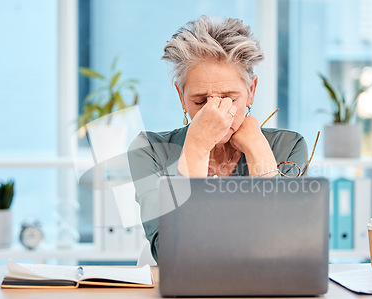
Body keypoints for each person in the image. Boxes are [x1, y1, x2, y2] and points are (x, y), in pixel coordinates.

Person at [128, 16, 308, 263]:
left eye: (230, 99)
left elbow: (288, 248)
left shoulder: (288, 147)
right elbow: (170, 254)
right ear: (181, 96)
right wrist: (196, 147)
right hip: (179, 294)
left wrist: (258, 150)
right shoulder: (149, 150)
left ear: (251, 91)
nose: (215, 114)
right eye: (200, 101)